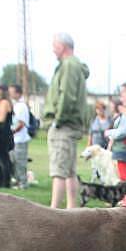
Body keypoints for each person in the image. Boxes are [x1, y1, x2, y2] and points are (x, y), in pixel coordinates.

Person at [44, 32, 89, 208]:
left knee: (59, 171)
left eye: (54, 45)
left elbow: (67, 95)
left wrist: (58, 119)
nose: (53, 49)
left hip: (64, 125)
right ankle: (71, 209)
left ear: (62, 46)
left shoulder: (69, 65)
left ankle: (53, 210)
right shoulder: (74, 65)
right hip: (71, 124)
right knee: (69, 171)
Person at [105, 85, 126, 182]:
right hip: (124, 150)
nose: (121, 99)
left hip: (124, 150)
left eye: (122, 96)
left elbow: (123, 131)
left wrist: (108, 132)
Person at [8, 83, 30, 189]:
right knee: (14, 161)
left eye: (11, 92)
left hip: (20, 139)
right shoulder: (15, 105)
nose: (10, 94)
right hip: (14, 139)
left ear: (17, 93)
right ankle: (17, 181)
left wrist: (11, 132)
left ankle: (23, 183)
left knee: (20, 162)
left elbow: (21, 123)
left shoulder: (21, 106)